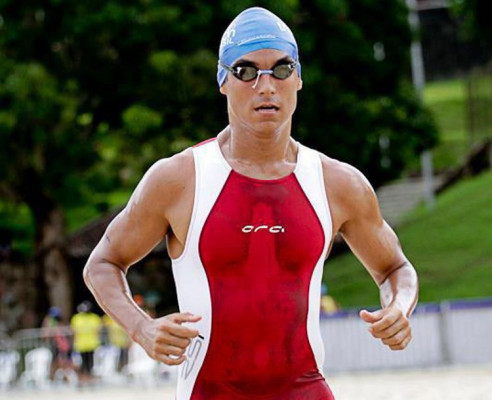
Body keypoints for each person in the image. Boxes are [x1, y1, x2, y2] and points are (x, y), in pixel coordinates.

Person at [83, 7, 418, 400]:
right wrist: (141, 328)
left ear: (298, 78)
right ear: (223, 81)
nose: (266, 86)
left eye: (281, 69)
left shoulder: (338, 184)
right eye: (246, 71)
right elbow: (103, 264)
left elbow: (395, 268)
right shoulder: (179, 179)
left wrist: (399, 308)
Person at [70, 301, 102, 384]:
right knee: (82, 362)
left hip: (91, 344)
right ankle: (82, 378)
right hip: (81, 344)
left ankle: (88, 377)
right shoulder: (77, 318)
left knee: (90, 362)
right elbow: (73, 331)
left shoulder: (94, 318)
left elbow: (98, 330)